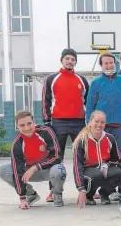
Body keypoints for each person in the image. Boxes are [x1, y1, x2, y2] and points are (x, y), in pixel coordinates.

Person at [85, 52, 121, 201]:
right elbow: (90, 106)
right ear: (101, 66)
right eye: (106, 63)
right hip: (102, 128)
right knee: (103, 160)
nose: (109, 65)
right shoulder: (96, 83)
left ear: (116, 64)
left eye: (111, 63)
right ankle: (104, 192)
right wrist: (89, 125)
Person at [42, 48, 88, 202]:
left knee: (83, 156)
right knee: (56, 157)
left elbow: (88, 101)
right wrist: (46, 119)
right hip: (58, 123)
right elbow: (46, 100)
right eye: (67, 58)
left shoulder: (81, 80)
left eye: (73, 59)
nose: (70, 61)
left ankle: (87, 189)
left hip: (79, 123)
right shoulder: (51, 79)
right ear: (62, 60)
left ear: (75, 62)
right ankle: (53, 191)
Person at [0, 110, 66, 209]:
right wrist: (22, 197)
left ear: (34, 122)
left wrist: (35, 167)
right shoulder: (17, 143)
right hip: (29, 173)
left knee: (60, 169)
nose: (27, 128)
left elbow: (57, 156)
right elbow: (17, 170)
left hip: (48, 170)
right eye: (22, 125)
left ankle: (57, 194)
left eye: (29, 123)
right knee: (2, 170)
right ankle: (31, 195)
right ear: (17, 127)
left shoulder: (46, 132)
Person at [73, 111, 121, 207]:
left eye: (102, 122)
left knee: (119, 173)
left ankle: (104, 194)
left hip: (104, 167)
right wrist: (81, 189)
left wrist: (106, 165)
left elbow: (116, 159)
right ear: (90, 122)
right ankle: (89, 196)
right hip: (88, 171)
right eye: (96, 121)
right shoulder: (81, 140)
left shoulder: (110, 138)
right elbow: (77, 166)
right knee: (97, 174)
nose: (99, 125)